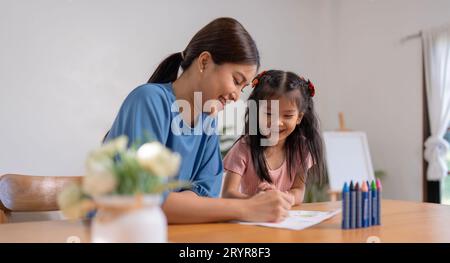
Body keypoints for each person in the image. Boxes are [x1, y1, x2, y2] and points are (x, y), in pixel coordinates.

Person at [104, 18, 292, 223]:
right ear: (204, 62)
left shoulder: (207, 122)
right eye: (236, 81)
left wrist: (174, 204)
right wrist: (247, 207)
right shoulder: (149, 101)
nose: (237, 95)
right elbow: (144, 201)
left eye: (243, 87)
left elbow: (206, 197)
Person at [222, 70, 325, 206]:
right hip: (252, 221)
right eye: (269, 113)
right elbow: (228, 194)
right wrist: (258, 201)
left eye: (287, 116)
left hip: (285, 221)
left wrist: (284, 197)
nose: (277, 122)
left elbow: (298, 190)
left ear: (299, 117)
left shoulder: (302, 148)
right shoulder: (244, 147)